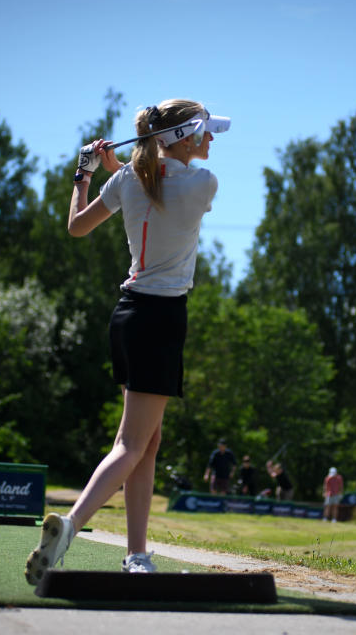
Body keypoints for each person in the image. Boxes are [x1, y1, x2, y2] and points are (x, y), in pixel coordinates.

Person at [25, 100, 230, 582]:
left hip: (127, 317)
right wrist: (123, 166)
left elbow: (78, 226)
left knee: (147, 442)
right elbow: (162, 181)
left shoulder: (125, 180)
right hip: (161, 320)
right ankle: (71, 526)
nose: (211, 141)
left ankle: (137, 554)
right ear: (181, 137)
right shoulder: (204, 184)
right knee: (131, 443)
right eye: (204, 134)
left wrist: (87, 172)